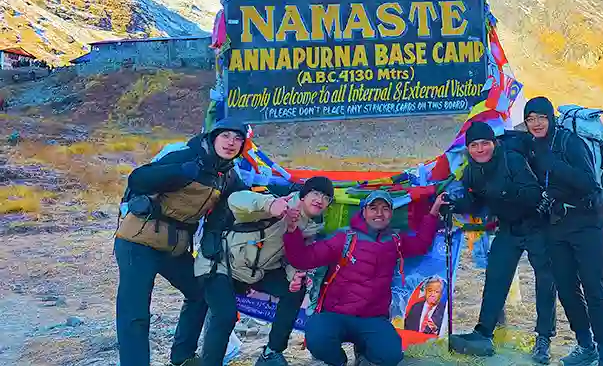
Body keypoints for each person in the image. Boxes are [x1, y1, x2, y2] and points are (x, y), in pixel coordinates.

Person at [114, 118, 250, 366]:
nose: (231, 143)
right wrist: (178, 172)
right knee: (135, 313)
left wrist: (295, 193)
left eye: (238, 138)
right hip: (138, 241)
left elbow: (245, 197)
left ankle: (183, 357)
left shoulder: (227, 175)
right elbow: (138, 179)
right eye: (226, 136)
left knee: (200, 292)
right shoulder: (187, 155)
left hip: (173, 247)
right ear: (213, 137)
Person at [282, 190, 448, 366]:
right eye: (373, 208)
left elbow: (421, 245)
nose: (379, 213)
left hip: (373, 318)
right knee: (317, 336)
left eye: (385, 209)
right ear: (364, 212)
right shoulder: (345, 238)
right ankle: (339, 362)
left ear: (391, 213)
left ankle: (364, 355)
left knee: (390, 356)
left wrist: (434, 211)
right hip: (336, 315)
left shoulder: (395, 241)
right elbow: (304, 259)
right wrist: (292, 231)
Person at [196, 176, 334, 366]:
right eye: (316, 193)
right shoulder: (280, 201)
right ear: (303, 195)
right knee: (225, 316)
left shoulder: (311, 227)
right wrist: (269, 205)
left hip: (257, 271)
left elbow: (292, 257)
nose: (320, 199)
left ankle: (271, 352)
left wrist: (294, 276)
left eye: (326, 197)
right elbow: (235, 200)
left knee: (295, 290)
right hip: (221, 263)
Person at [448, 121, 556, 363]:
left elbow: (533, 194)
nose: (480, 149)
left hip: (537, 226)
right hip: (507, 229)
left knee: (545, 281)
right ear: (468, 149)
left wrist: (502, 192)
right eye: (474, 145)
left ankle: (543, 340)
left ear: (494, 144)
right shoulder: (472, 171)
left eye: (484, 143)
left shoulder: (513, 161)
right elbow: (475, 203)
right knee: (496, 276)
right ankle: (483, 333)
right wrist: (452, 205)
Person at [524, 96, 603, 366]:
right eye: (530, 119)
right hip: (557, 224)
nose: (536, 123)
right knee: (566, 287)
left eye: (541, 117)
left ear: (551, 118)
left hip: (587, 221)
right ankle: (585, 346)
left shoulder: (569, 142)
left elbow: (589, 182)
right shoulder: (532, 145)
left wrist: (553, 164)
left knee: (594, 287)